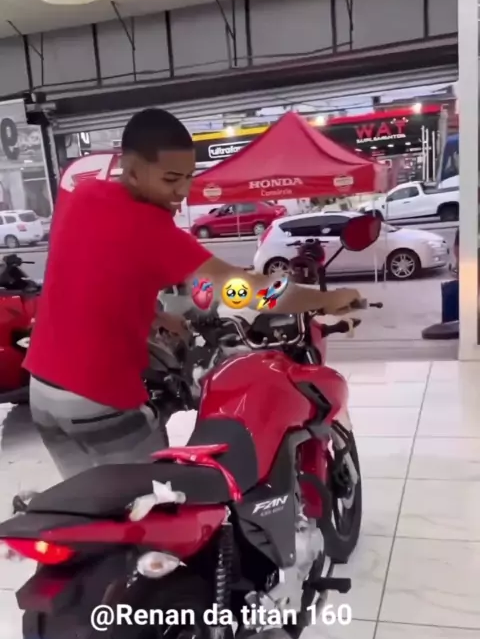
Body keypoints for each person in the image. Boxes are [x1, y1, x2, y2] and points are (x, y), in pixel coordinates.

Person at [24, 108, 361, 480]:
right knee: (154, 500)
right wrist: (326, 299)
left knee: (87, 499)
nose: (183, 191)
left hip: (42, 390)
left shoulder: (82, 195)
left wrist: (154, 315)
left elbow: (90, 272)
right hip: (98, 399)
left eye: (188, 177)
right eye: (171, 179)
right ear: (132, 171)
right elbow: (247, 292)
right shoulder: (154, 231)